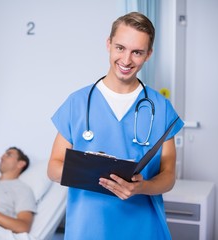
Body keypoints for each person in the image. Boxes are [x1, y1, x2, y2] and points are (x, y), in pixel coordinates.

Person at [47, 12, 184, 240]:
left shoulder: (161, 108)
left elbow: (168, 176)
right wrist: (93, 174)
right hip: (89, 227)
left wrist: (142, 187)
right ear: (108, 44)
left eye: (137, 52)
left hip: (142, 228)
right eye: (120, 48)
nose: (127, 60)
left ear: (148, 54)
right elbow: (53, 168)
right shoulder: (78, 103)